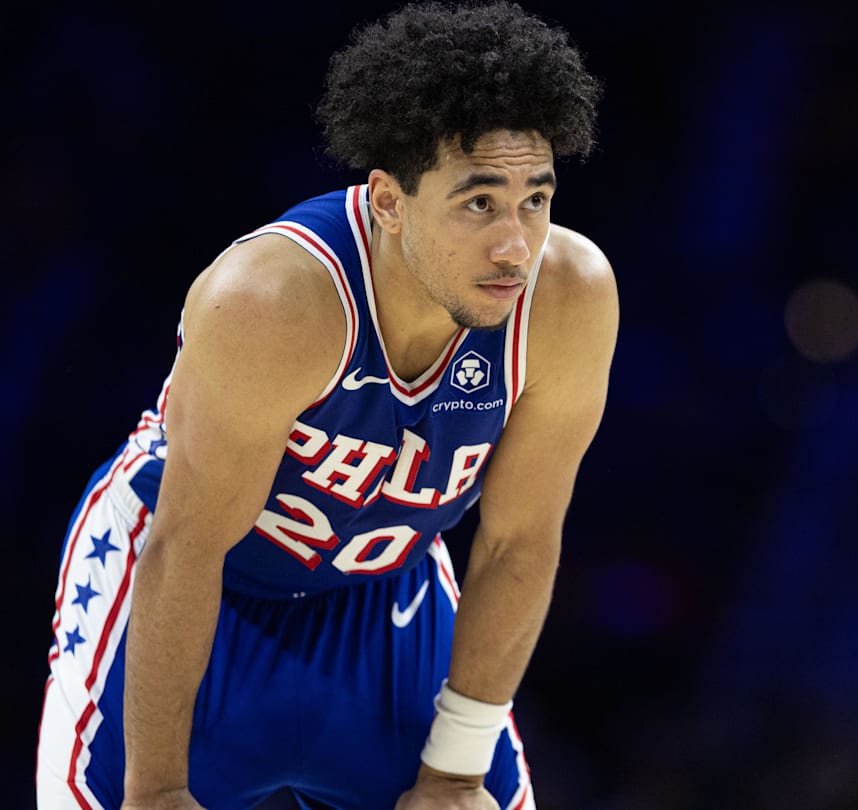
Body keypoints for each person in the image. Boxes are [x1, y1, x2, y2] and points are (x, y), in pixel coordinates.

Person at [36, 3, 615, 808]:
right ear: (387, 200)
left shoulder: (569, 297)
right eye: (479, 203)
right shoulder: (272, 301)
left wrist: (452, 775)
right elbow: (186, 548)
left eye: (535, 200)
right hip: (199, 592)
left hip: (385, 603)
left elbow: (519, 543)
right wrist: (158, 791)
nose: (515, 245)